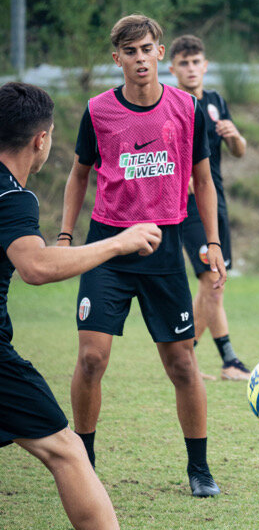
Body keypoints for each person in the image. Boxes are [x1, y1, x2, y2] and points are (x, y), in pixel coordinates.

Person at [59, 15, 226, 498]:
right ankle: (83, 465)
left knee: (182, 364)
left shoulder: (187, 109)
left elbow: (204, 180)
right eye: (129, 52)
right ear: (117, 58)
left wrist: (212, 244)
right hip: (107, 248)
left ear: (160, 53)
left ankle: (199, 468)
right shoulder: (97, 110)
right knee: (91, 359)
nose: (139, 59)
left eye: (147, 49)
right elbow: (78, 176)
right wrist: (67, 236)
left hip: (164, 250)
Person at [0, 81, 163, 529]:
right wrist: (118, 243)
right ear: (41, 139)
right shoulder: (12, 198)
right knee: (67, 451)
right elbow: (35, 265)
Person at [169, 35, 250, 381]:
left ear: (205, 65)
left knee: (215, 283)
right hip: (187, 206)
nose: (190, 68)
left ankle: (189, 356)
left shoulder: (216, 101)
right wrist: (178, 177)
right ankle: (222, 359)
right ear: (171, 69)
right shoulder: (171, 104)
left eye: (195, 61)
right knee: (212, 279)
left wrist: (234, 136)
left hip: (216, 201)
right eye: (183, 63)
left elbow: (240, 151)